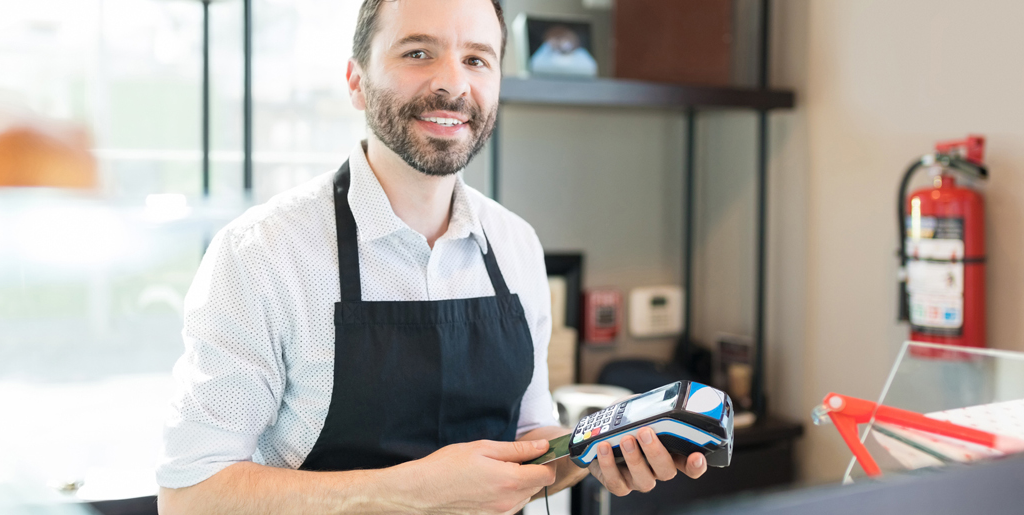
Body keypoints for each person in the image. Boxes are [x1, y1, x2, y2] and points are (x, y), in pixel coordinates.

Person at [156, 0, 707, 512]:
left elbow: (529, 437)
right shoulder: (263, 255)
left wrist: (598, 450)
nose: (452, 83)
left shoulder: (516, 245)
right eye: (418, 53)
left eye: (476, 59)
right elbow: (189, 495)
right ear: (357, 81)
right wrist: (404, 491)